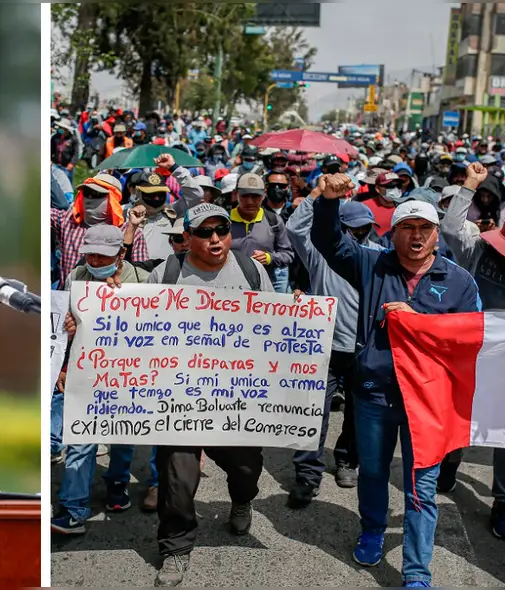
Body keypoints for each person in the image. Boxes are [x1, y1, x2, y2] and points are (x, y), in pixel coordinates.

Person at [311, 173, 480, 588]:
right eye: (407, 227)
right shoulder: (371, 264)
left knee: (421, 486)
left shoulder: (459, 281)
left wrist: (417, 322)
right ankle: (372, 529)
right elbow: (328, 242)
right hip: (374, 394)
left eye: (424, 228)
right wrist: (328, 202)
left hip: (429, 402)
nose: (416, 236)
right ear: (393, 233)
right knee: (372, 471)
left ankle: (417, 572)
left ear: (437, 235)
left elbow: (471, 338)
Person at [147, 202, 273, 587]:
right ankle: (175, 548)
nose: (215, 239)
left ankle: (242, 500)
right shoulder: (166, 274)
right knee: (178, 479)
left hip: (235, 400)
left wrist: (299, 312)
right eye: (205, 232)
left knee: (246, 470)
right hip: (179, 401)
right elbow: (133, 325)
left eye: (222, 230)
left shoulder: (251, 271)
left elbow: (274, 325)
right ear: (187, 237)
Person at [437, 162, 505, 539]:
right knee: (460, 418)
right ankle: (449, 465)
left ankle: (503, 503)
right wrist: (469, 184)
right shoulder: (479, 250)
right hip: (472, 356)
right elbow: (450, 228)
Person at [51, 223, 157, 534]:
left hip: (129, 373)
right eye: (90, 255)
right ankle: (73, 507)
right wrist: (64, 355)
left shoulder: (142, 280)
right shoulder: (76, 276)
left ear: (121, 253)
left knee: (122, 435)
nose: (95, 261)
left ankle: (117, 484)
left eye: (102, 256)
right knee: (80, 440)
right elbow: (61, 326)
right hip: (87, 371)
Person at [283, 192, 379, 508]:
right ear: (339, 227)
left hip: (363, 350)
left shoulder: (379, 256)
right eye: (354, 228)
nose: (360, 234)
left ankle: (348, 460)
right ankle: (307, 474)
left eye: (365, 228)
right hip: (323, 348)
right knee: (312, 413)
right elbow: (295, 229)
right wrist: (316, 196)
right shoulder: (320, 254)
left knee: (358, 411)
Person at [229, 173, 295, 293]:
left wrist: (269, 258)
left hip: (265, 290)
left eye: (255, 196)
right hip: (231, 289)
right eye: (245, 195)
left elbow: (288, 255)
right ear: (236, 194)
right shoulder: (225, 221)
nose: (250, 201)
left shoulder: (273, 221)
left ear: (264, 195)